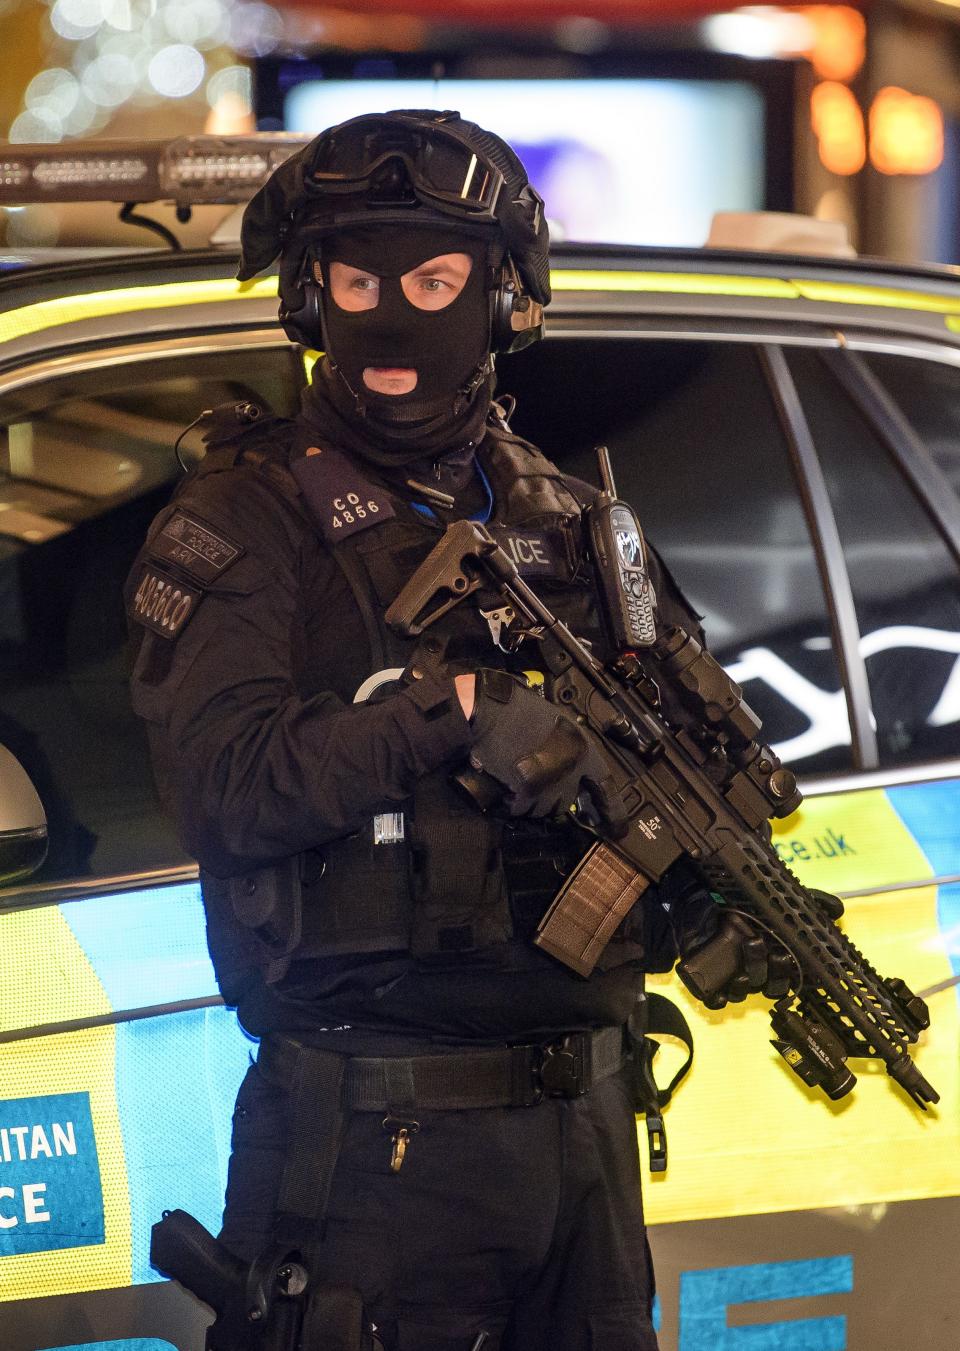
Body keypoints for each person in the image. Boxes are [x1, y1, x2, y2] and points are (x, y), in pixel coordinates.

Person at [126, 110, 788, 1351]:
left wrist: (702, 895)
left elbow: (675, 736)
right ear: (309, 294)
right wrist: (454, 714)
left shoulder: (574, 519)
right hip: (371, 1149)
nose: (395, 319)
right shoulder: (243, 523)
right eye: (362, 281)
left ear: (501, 301)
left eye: (433, 283)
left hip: (584, 1140)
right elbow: (226, 788)